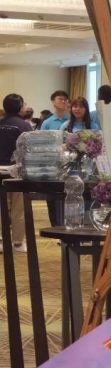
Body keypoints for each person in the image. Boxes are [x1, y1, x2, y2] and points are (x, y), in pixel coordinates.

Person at [0, 93, 32, 253]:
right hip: (17, 170)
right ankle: (18, 243)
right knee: (18, 208)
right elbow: (29, 150)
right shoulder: (24, 126)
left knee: (1, 207)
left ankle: (1, 240)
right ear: (19, 107)